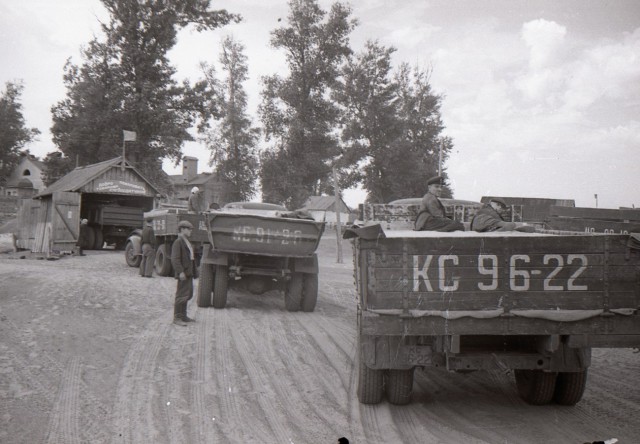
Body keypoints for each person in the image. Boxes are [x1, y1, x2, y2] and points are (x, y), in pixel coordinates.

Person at [170, 220, 198, 326]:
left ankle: (183, 315)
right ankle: (177, 317)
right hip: (184, 273)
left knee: (187, 294)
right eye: (188, 229)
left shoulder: (185, 241)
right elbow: (175, 259)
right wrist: (180, 272)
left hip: (188, 273)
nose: (191, 231)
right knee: (181, 295)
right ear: (182, 229)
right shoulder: (178, 242)